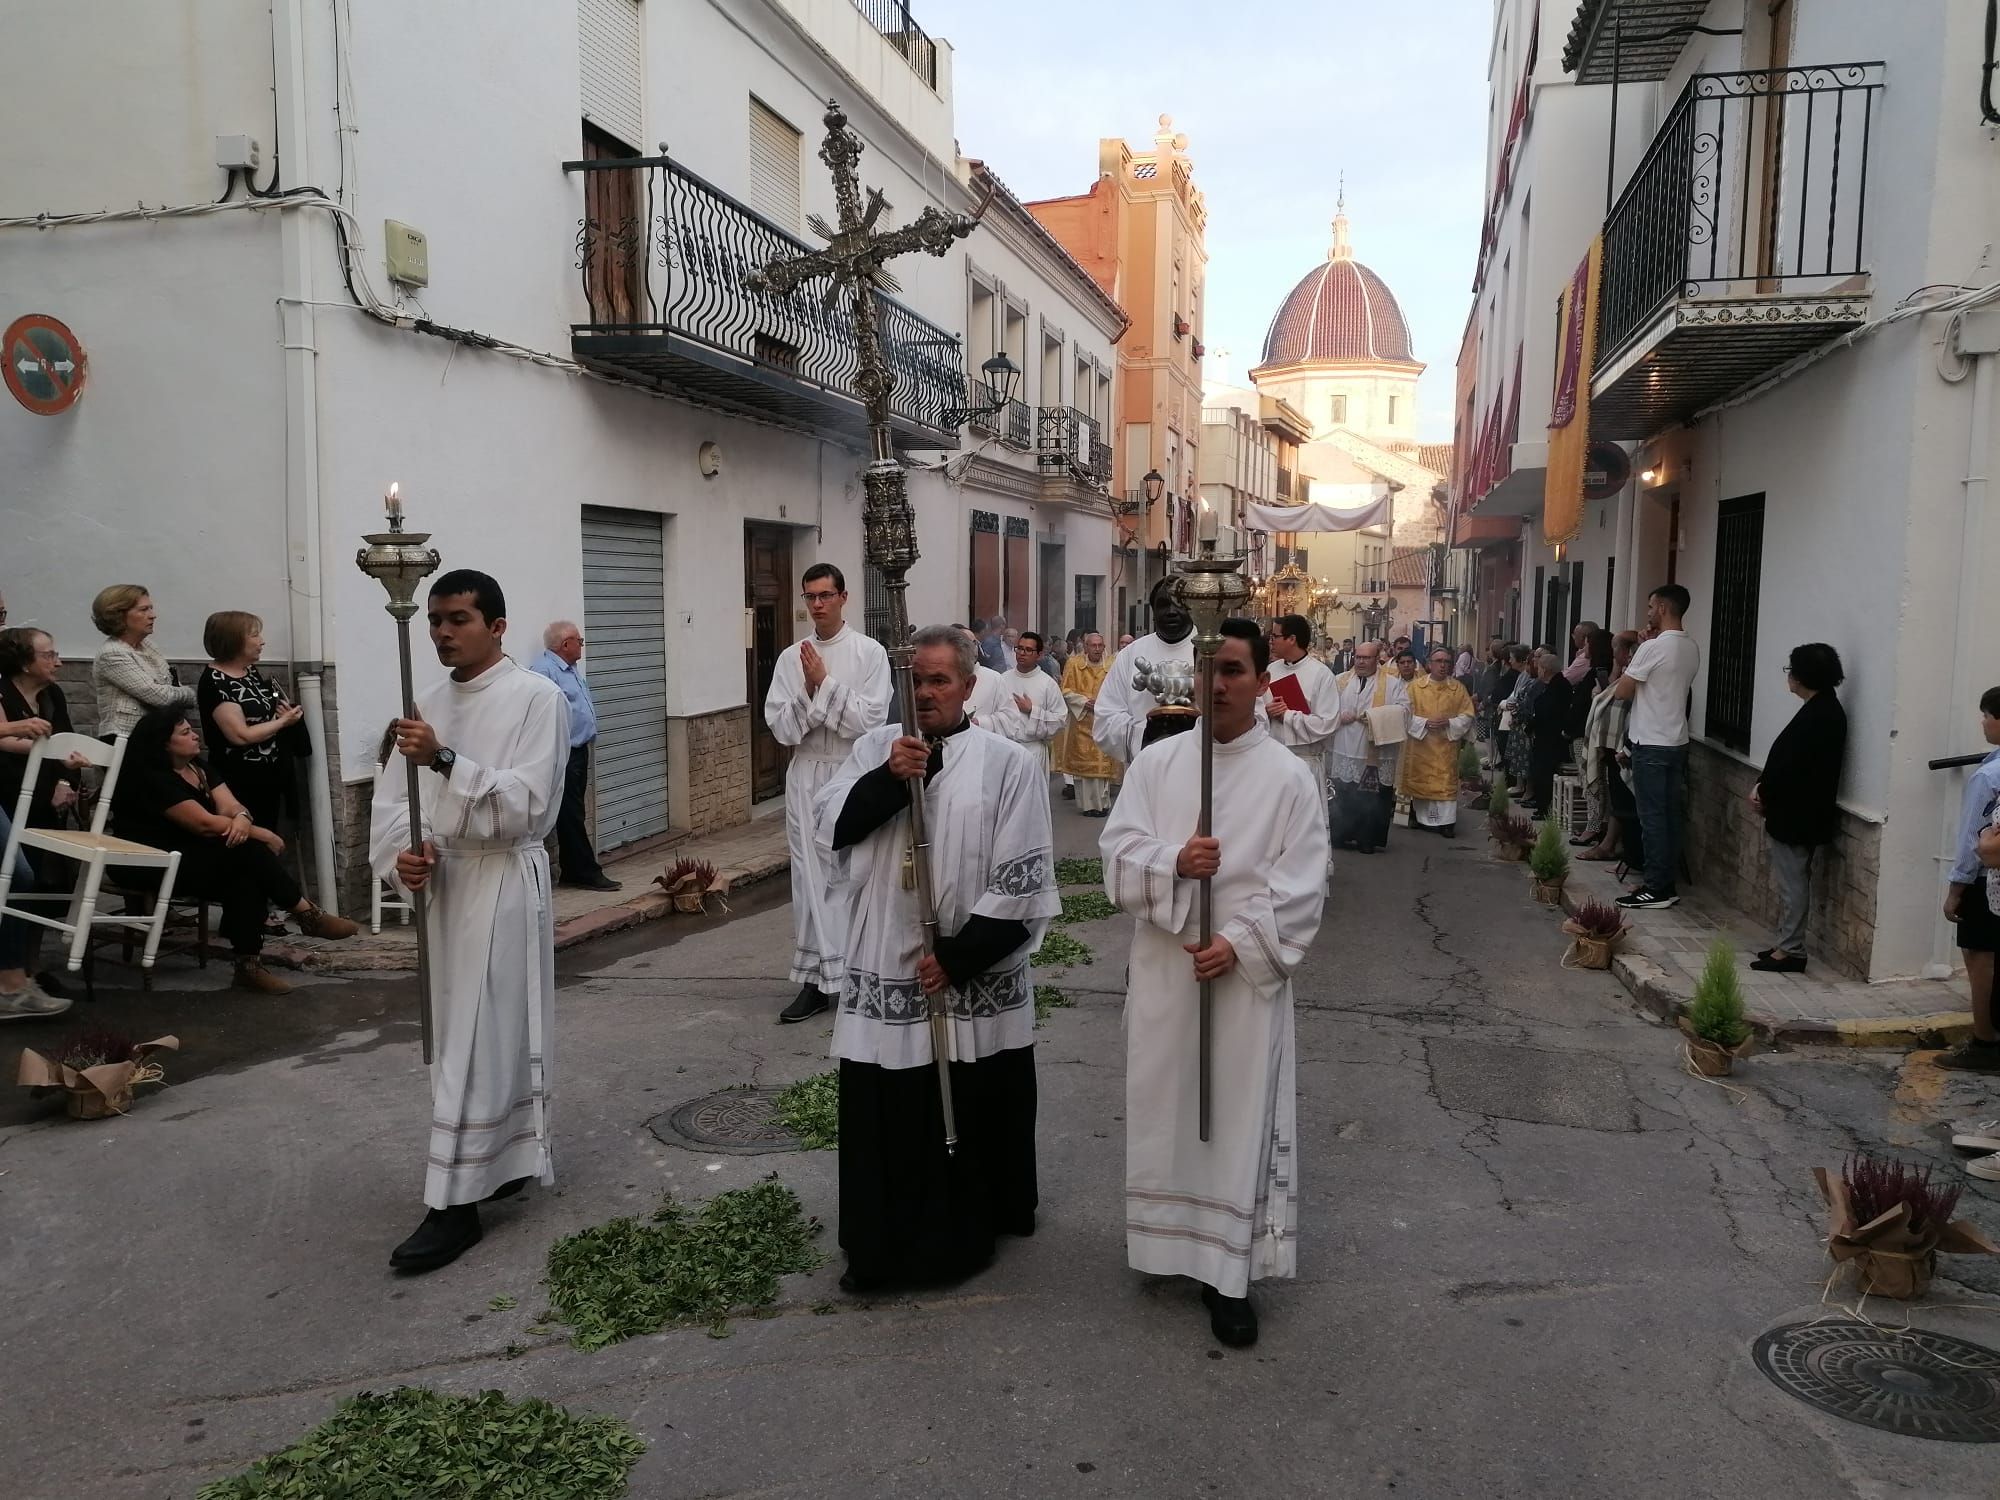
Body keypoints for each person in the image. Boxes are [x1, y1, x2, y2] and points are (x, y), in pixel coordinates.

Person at [1102, 618, 1327, 1348]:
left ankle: (1228, 1277)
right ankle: (1165, 1246)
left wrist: (1235, 943)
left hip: (1240, 987)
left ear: (1264, 681)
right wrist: (1174, 862)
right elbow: (1116, 856)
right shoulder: (1158, 766)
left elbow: (1302, 886)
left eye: (1234, 669)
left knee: (1231, 1116)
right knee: (1168, 1108)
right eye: (1209, 670)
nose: (1220, 683)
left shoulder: (1289, 779)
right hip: (1169, 974)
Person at [814, 624, 1058, 1292]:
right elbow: (829, 827)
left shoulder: (1006, 762)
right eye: (915, 680)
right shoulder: (873, 748)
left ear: (970, 686)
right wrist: (889, 781)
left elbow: (1024, 877)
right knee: (887, 1108)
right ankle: (878, 1243)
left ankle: (959, 1234)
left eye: (939, 680)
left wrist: (960, 957)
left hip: (962, 967)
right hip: (887, 957)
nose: (924, 692)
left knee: (965, 1106)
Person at [370, 568, 571, 1273]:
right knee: (459, 1029)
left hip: (503, 878)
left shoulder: (536, 697)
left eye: (458, 618)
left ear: (497, 626)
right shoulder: (421, 704)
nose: (443, 632)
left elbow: (532, 804)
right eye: (435, 620)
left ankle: (453, 1205)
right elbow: (393, 804)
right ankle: (505, 1158)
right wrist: (406, 858)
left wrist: (448, 759)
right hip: (446, 885)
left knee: (483, 1032)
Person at [114, 707, 356, 994]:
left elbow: (230, 806)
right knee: (247, 852)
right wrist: (259, 831)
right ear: (163, 744)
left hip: (188, 857)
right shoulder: (153, 778)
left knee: (246, 871)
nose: (194, 735)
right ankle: (305, 915)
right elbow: (204, 824)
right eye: (185, 732)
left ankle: (250, 966)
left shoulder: (198, 767)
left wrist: (241, 818)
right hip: (145, 862)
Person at [768, 566, 892, 1025]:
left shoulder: (869, 652)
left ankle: (859, 971)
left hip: (853, 771)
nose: (817, 605)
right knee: (809, 877)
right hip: (806, 773)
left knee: (855, 869)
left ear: (844, 596)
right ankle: (816, 980)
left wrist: (825, 685)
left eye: (825, 595)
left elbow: (872, 720)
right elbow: (781, 727)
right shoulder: (789, 658)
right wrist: (812, 694)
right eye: (810, 597)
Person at [1748, 644, 1848, 974]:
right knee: (1791, 882)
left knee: (1794, 884)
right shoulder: (1819, 708)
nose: (1788, 676)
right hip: (1792, 812)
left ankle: (1791, 949)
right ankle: (1785, 943)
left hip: (1798, 816)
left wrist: (1766, 791)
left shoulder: (1823, 714)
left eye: (1792, 670)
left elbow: (1797, 768)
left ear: (1804, 675)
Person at [1614, 585, 1701, 911]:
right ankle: (1665, 883)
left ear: (1663, 607)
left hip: (1650, 742)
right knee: (1668, 817)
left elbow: (1623, 691)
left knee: (1651, 818)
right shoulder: (1691, 646)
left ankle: (1655, 887)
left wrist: (1639, 650)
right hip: (1676, 740)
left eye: (1651, 606)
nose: (1648, 612)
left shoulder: (1653, 648)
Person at [1935, 686, 2000, 1073]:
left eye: (1987, 715)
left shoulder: (1988, 775)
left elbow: (1971, 840)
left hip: (1982, 882)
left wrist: (1955, 890)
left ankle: (1984, 1040)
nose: (1983, 722)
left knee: (1980, 961)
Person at [530, 620, 620, 893]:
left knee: (573, 811)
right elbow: (543, 715)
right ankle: (585, 872)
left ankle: (573, 869)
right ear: (565, 644)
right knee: (570, 813)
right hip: (563, 754)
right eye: (579, 641)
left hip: (578, 751)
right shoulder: (545, 671)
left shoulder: (569, 669)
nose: (582, 646)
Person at [197, 611, 305, 836]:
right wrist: (283, 722)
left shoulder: (249, 671)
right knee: (251, 839)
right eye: (255, 635)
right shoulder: (215, 682)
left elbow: (261, 714)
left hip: (268, 773)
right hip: (240, 777)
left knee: (271, 831)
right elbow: (240, 735)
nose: (262, 641)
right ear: (234, 641)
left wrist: (281, 713)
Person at [1094, 578, 1197, 765]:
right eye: (1164, 605)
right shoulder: (1131, 655)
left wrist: (1197, 726)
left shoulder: (1211, 649)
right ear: (1153, 612)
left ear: (1192, 608)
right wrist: (1146, 732)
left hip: (1201, 766)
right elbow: (1104, 721)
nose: (1172, 612)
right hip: (1145, 767)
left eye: (1179, 604)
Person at [1327, 641, 1410, 854]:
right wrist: (1338, 716)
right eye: (1358, 657)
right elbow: (1325, 709)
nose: (1361, 662)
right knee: (1344, 793)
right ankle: (1342, 834)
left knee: (1372, 797)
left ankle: (1368, 839)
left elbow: (1405, 711)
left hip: (1375, 750)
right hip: (1345, 743)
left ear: (1377, 659)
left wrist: (1374, 717)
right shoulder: (1340, 681)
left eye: (1367, 658)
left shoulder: (1392, 684)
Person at [0, 626, 83, 830]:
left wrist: (64, 783)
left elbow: (66, 739)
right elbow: (5, 744)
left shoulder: (53, 694)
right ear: (24, 663)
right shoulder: (4, 693)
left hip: (49, 803)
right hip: (10, 797)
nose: (59, 663)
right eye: (49, 655)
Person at [91, 585, 195, 741]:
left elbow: (172, 688)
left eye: (151, 608)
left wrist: (179, 694)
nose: (153, 615)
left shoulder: (149, 646)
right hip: (125, 739)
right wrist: (189, 693)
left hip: (155, 736)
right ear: (119, 615)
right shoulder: (112, 653)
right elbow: (160, 697)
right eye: (144, 610)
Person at [1401, 647, 1477, 837]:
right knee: (1421, 782)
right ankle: (1419, 818)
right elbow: (1403, 713)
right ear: (1429, 664)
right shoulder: (1415, 687)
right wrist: (1423, 722)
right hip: (1421, 745)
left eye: (1447, 662)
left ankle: (1446, 823)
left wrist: (1450, 723)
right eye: (1439, 661)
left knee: (1444, 785)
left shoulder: (1457, 688)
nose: (1443, 666)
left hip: (1445, 746)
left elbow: (1467, 715)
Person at [1579, 631, 1640, 864]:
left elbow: (1622, 698)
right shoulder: (1621, 672)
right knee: (1617, 795)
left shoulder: (1635, 675)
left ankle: (1614, 846)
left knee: (1623, 797)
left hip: (1627, 745)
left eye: (1617, 649)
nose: (1614, 653)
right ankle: (1612, 843)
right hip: (1614, 744)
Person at [1057, 632, 1121, 817]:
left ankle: (1102, 803)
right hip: (1082, 721)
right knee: (1085, 770)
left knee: (1103, 764)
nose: (1097, 649)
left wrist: (1106, 705)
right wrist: (1084, 702)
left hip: (1104, 721)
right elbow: (1066, 690)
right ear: (1085, 647)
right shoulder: (1074, 664)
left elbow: (1118, 690)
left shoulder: (1111, 666)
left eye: (1100, 645)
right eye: (1093, 645)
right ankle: (1087, 806)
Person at [992, 631, 1067, 774]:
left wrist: (1032, 710)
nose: (1022, 653)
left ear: (1039, 655)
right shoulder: (1003, 679)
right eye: (1019, 648)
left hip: (1033, 750)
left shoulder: (1047, 684)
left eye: (1028, 650)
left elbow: (1060, 719)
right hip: (1005, 750)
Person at [1525, 649, 1574, 818]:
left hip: (1551, 739)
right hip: (1544, 736)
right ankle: (1542, 804)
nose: (1537, 671)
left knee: (1544, 772)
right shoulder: (1552, 685)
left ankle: (1544, 807)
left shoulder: (1559, 686)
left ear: (1545, 669)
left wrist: (1532, 723)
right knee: (1540, 771)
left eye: (1538, 668)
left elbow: (1547, 712)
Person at [955, 626, 1012, 726]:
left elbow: (1010, 717)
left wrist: (981, 722)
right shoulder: (944, 678)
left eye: (974, 643)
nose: (971, 648)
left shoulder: (994, 679)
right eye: (965, 644)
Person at [1563, 620, 1602, 685]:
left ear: (1583, 638)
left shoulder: (1586, 657)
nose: (1573, 638)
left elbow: (1565, 679)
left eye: (1574, 635)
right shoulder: (1599, 654)